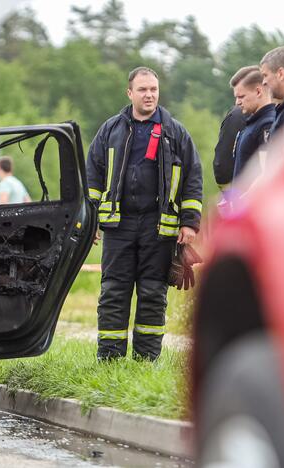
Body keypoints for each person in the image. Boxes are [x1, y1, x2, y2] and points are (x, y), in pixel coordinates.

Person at [86, 66, 203, 361]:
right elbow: (92, 177)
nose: (149, 95)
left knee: (152, 294)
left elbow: (193, 176)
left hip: (158, 227)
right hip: (118, 225)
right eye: (143, 90)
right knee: (113, 291)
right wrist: (90, 221)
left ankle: (146, 360)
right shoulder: (110, 130)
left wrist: (189, 223)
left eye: (153, 89)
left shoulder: (175, 132)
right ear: (130, 93)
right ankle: (109, 359)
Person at [213, 66, 257, 189]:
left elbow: (222, 166)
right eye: (236, 97)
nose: (237, 102)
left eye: (241, 96)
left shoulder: (237, 116)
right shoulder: (281, 113)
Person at [232, 65, 276, 180]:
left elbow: (266, 175)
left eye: (241, 96)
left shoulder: (267, 125)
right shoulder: (253, 123)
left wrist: (241, 198)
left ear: (258, 92)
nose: (237, 102)